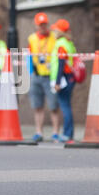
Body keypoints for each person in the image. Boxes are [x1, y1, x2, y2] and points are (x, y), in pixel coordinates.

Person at [28, 12, 60, 142]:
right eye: (40, 25)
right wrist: (30, 72)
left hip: (50, 76)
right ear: (36, 26)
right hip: (36, 75)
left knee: (53, 106)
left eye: (44, 24)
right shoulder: (32, 38)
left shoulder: (54, 37)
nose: (43, 27)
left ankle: (55, 132)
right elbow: (29, 56)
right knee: (38, 106)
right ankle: (38, 132)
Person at [50, 19, 76, 144]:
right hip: (70, 77)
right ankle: (69, 134)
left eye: (55, 29)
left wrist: (58, 82)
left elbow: (61, 64)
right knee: (67, 106)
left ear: (60, 31)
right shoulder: (69, 43)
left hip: (64, 78)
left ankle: (67, 134)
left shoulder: (60, 44)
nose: (53, 31)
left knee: (65, 107)